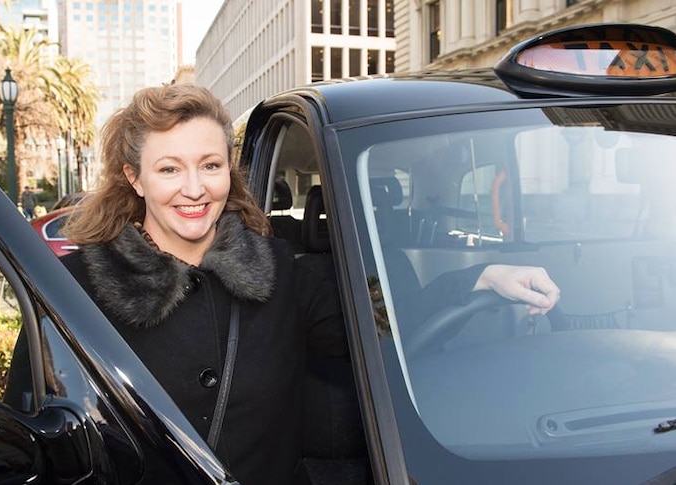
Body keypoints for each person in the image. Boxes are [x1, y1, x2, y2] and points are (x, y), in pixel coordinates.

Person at [59, 84, 560, 484]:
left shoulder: (278, 269)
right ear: (135, 178)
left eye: (210, 166)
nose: (195, 188)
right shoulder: (77, 288)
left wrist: (482, 277)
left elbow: (378, 322)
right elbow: (49, 429)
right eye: (170, 169)